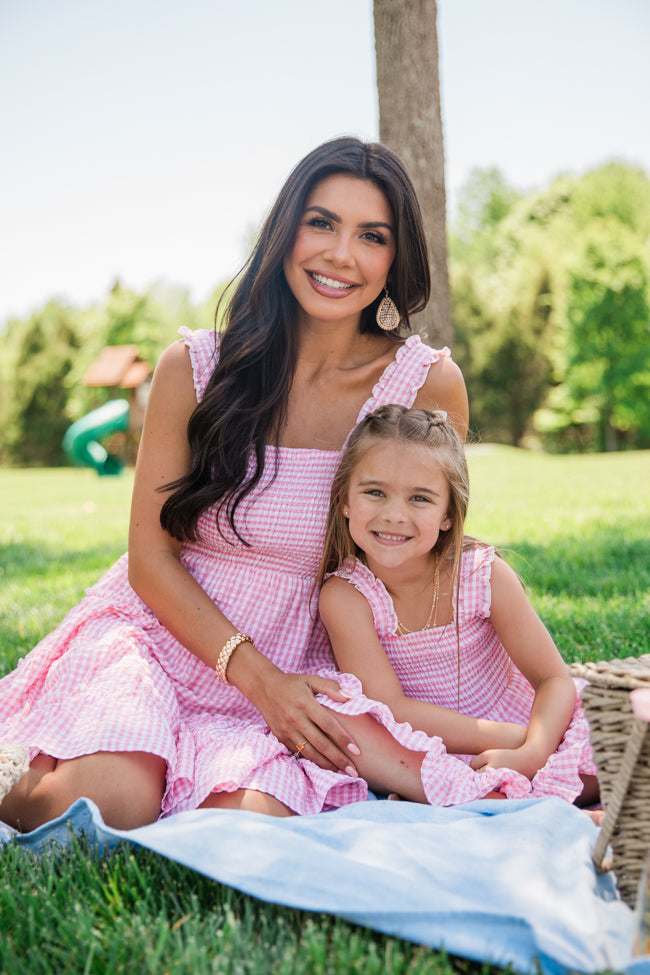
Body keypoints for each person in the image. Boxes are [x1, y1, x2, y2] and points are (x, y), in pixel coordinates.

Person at [0, 135, 479, 831]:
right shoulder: (193, 367)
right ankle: (25, 767)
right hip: (163, 637)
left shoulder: (426, 384)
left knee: (242, 824)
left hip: (309, 661)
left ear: (395, 256)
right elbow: (150, 558)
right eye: (321, 223)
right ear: (284, 233)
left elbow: (423, 560)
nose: (341, 254)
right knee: (108, 802)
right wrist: (259, 680)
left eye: (371, 236)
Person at [315, 404, 599, 808]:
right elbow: (390, 708)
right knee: (335, 717)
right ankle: (496, 796)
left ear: (448, 514)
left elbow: (555, 680)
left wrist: (535, 750)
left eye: (420, 498)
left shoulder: (483, 575)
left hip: (534, 727)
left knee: (622, 725)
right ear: (345, 500)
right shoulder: (347, 595)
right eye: (374, 492)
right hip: (428, 748)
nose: (394, 515)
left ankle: (509, 798)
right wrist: (511, 738)